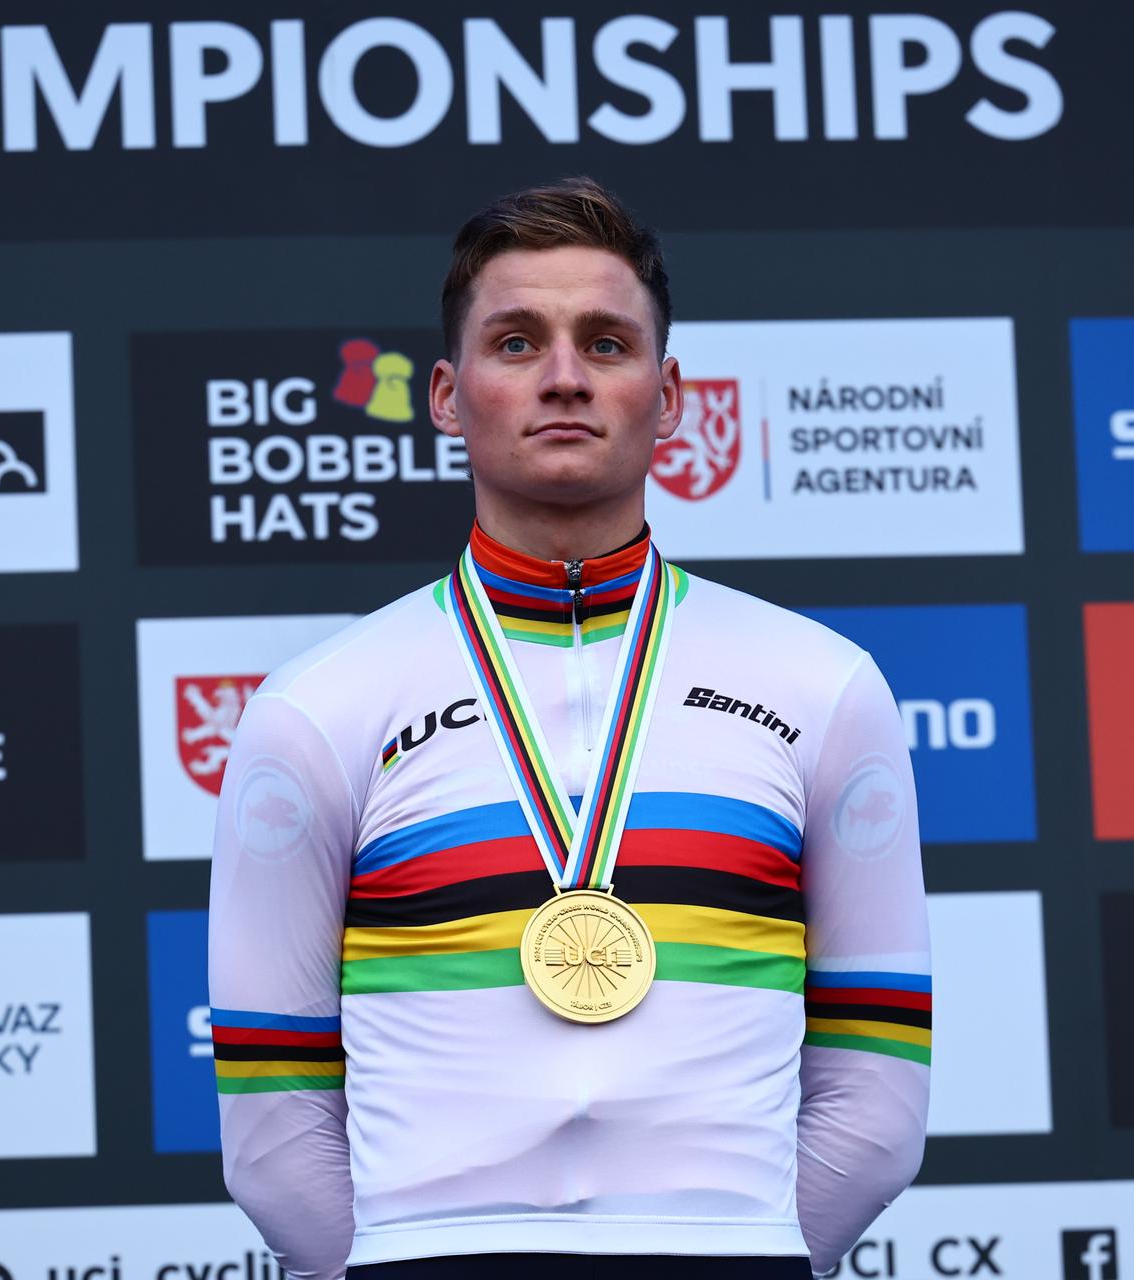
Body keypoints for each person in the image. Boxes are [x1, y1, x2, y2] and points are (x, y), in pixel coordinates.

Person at [208, 177, 930, 1280]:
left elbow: (876, 1103)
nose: (563, 377)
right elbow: (270, 1126)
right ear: (447, 396)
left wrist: (735, 1250)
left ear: (669, 394)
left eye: (605, 342)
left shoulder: (823, 687)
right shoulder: (318, 708)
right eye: (516, 342)